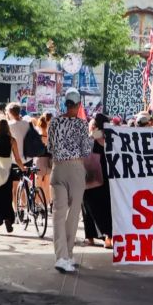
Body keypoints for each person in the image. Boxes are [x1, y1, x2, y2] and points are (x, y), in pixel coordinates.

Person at [48, 88, 93, 273]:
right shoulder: (82, 125)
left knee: (58, 214)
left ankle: (61, 256)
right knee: (73, 214)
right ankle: (69, 253)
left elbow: (50, 147)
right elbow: (85, 151)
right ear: (78, 105)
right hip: (75, 169)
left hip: (57, 169)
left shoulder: (54, 122)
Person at [82, 113, 113, 249]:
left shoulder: (91, 138)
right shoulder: (112, 138)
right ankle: (109, 237)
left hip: (92, 177)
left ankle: (90, 238)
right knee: (107, 207)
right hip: (108, 177)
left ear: (94, 125)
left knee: (88, 207)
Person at [36, 112, 53, 207]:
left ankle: (38, 203)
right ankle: (46, 204)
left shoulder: (39, 133)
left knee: (38, 184)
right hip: (49, 160)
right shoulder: (51, 134)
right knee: (47, 184)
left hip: (39, 160)